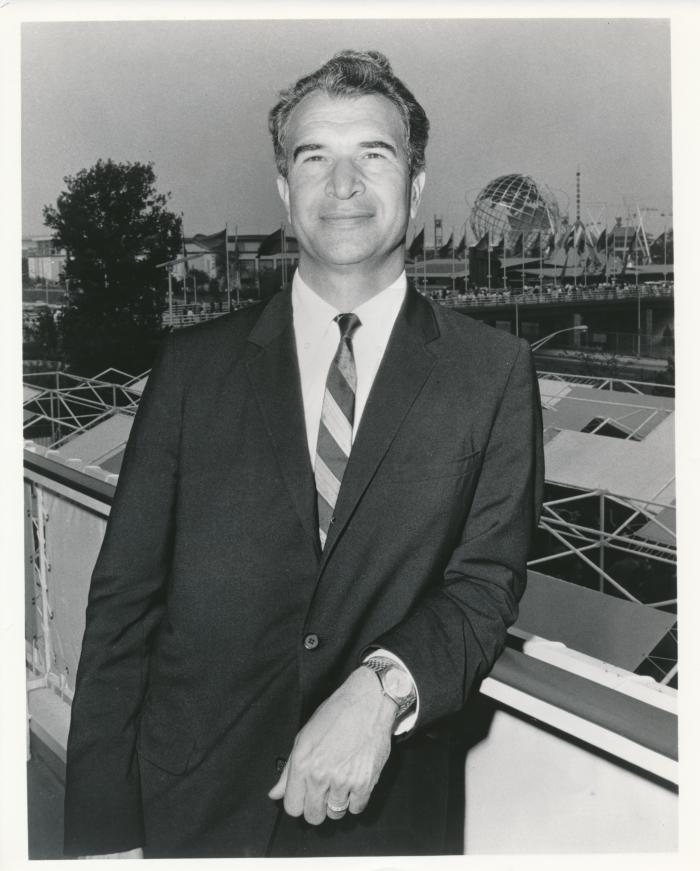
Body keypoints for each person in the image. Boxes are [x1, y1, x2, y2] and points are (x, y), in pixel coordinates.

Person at [63, 49, 543, 859]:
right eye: (314, 157)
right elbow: (121, 614)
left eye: (374, 155)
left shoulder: (492, 374)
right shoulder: (191, 368)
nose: (343, 184)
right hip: (190, 814)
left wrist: (382, 687)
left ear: (417, 187)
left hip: (381, 823)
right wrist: (98, 843)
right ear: (285, 192)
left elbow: (484, 583)